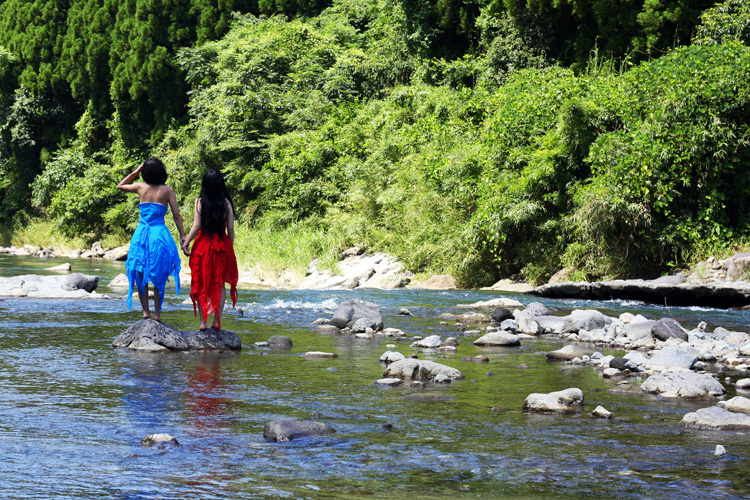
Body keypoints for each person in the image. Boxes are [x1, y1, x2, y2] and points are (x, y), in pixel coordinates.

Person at [117, 158, 185, 322]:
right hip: (159, 235)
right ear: (162, 172)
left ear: (144, 172)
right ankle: (157, 315)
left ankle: (145, 312)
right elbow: (177, 216)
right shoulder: (168, 190)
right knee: (159, 274)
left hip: (141, 234)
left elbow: (120, 185)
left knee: (140, 272)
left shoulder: (140, 187)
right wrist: (182, 236)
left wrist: (135, 172)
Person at [181, 170, 238, 331]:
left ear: (204, 185)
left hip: (203, 246)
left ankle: (203, 323)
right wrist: (230, 246)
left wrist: (186, 243)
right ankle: (216, 321)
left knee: (201, 282)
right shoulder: (226, 203)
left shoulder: (199, 202)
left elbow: (196, 226)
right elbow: (231, 228)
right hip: (221, 245)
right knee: (220, 283)